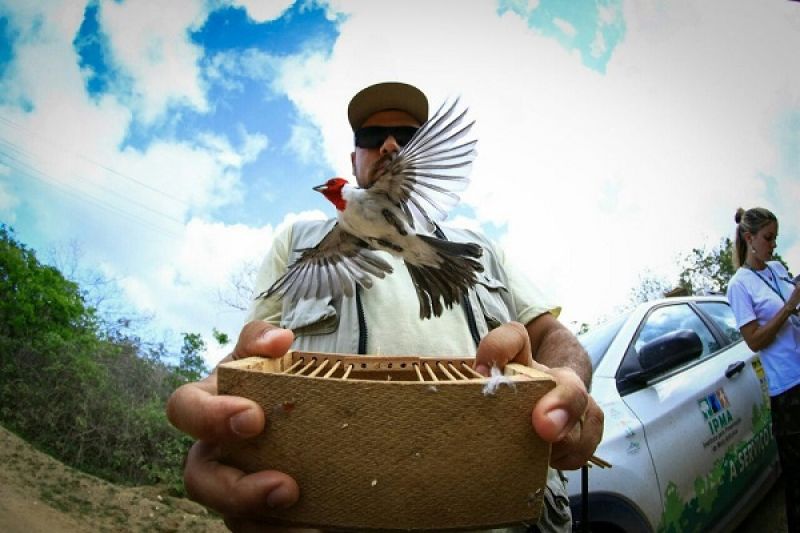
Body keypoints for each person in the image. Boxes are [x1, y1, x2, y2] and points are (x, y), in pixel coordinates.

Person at [166, 81, 604, 533]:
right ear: (352, 158)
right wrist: (227, 394)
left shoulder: (483, 247)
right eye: (372, 137)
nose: (390, 145)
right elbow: (254, 355)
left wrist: (565, 381)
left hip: (491, 507)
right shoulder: (301, 243)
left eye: (408, 137)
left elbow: (552, 337)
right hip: (335, 509)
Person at [726, 206, 800, 532]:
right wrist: (789, 306)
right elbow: (754, 340)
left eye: (776, 238)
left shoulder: (777, 268)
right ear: (749, 238)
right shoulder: (739, 285)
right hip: (788, 390)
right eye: (768, 238)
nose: (773, 245)